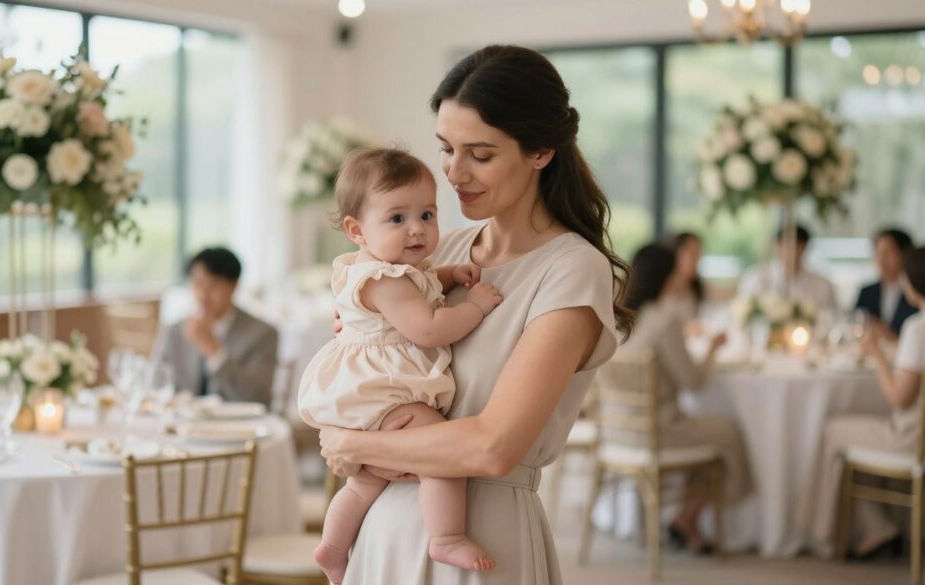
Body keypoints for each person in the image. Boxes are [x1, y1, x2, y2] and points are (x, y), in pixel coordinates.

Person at [317, 45, 631, 584]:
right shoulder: (434, 251)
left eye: (480, 155)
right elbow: (361, 371)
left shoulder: (572, 270)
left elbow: (493, 447)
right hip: (384, 528)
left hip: (483, 536)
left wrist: (356, 445)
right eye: (446, 149)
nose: (454, 173)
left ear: (540, 152)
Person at [299, 148, 504, 583]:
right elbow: (428, 328)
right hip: (383, 391)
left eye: (427, 214)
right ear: (356, 230)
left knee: (364, 484)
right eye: (397, 218)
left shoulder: (387, 267)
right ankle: (446, 536)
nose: (417, 229)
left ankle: (332, 548)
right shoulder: (385, 281)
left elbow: (422, 282)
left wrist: (448, 275)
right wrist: (476, 307)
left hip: (369, 391)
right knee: (440, 449)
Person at [618, 244, 752, 553]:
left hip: (619, 432)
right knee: (729, 432)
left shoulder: (618, 320)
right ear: (667, 277)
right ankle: (689, 517)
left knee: (707, 435)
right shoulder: (663, 322)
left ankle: (685, 521)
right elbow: (693, 382)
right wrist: (713, 349)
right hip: (658, 431)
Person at [806, 246, 925, 559]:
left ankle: (840, 532)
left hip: (913, 439)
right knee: (855, 431)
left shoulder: (918, 328)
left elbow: (899, 399)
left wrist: (876, 357)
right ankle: (882, 525)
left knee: (832, 431)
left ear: (915, 282)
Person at [152, 247, 278, 404]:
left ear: (233, 287)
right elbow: (156, 385)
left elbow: (257, 398)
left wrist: (214, 351)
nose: (203, 295)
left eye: (212, 286)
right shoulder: (175, 330)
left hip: (237, 419)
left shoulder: (262, 334)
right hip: (181, 418)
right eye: (197, 284)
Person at [738, 224, 837, 310]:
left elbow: (833, 316)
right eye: (785, 246)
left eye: (798, 247)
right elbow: (743, 310)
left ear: (805, 248)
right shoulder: (756, 278)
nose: (791, 252)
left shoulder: (822, 284)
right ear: (777, 246)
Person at [855, 228, 917, 340]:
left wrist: (886, 333)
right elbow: (854, 323)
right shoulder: (867, 292)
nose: (881, 259)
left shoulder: (916, 293)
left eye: (888, 252)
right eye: (878, 252)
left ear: (905, 254)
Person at [665, 231, 705, 322]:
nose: (698, 261)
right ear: (676, 254)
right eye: (693, 254)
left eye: (699, 255)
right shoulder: (661, 289)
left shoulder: (694, 288)